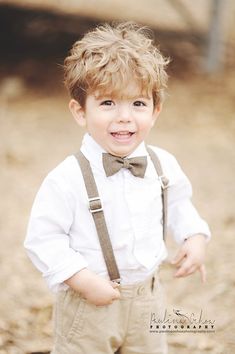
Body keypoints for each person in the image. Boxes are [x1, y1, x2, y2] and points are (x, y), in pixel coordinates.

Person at [24, 22, 211, 354]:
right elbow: (43, 238)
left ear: (155, 111)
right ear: (80, 112)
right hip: (89, 302)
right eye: (108, 103)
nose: (124, 117)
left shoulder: (162, 164)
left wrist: (194, 237)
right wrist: (81, 279)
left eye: (137, 104)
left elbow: (180, 205)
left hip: (149, 298)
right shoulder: (67, 178)